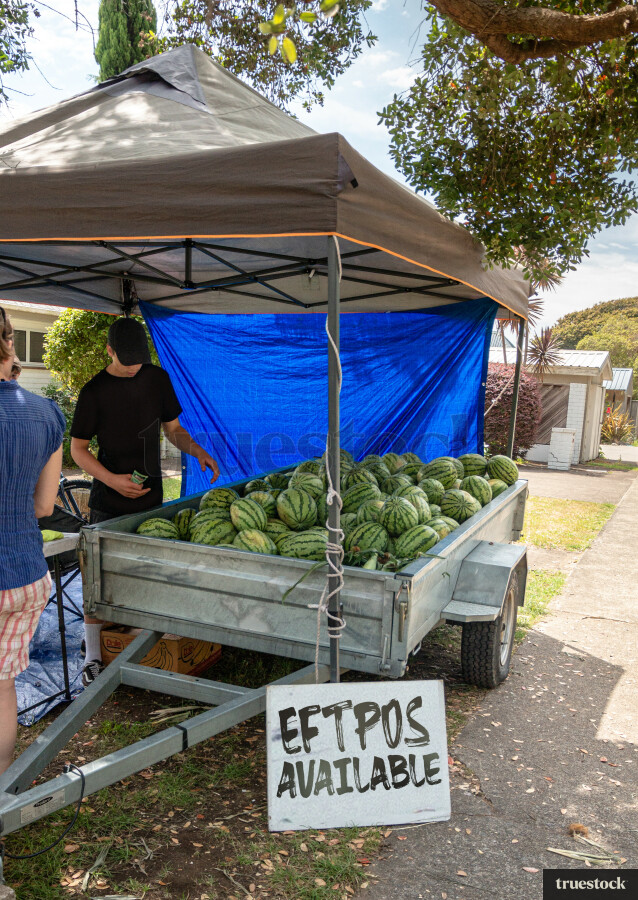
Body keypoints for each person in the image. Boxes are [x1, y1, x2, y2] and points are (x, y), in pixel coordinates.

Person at [70, 316, 219, 686]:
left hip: (152, 500)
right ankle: (91, 656)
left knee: (149, 573)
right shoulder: (93, 391)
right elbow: (78, 450)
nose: (135, 365)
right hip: (107, 500)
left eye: (139, 357)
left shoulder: (158, 379)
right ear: (109, 350)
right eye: (127, 358)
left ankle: (149, 645)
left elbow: (174, 430)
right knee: (98, 579)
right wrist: (111, 480)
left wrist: (196, 449)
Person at [0, 306, 65, 774]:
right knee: (2, 687)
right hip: (24, 577)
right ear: (9, 343)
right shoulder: (47, 413)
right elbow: (45, 507)